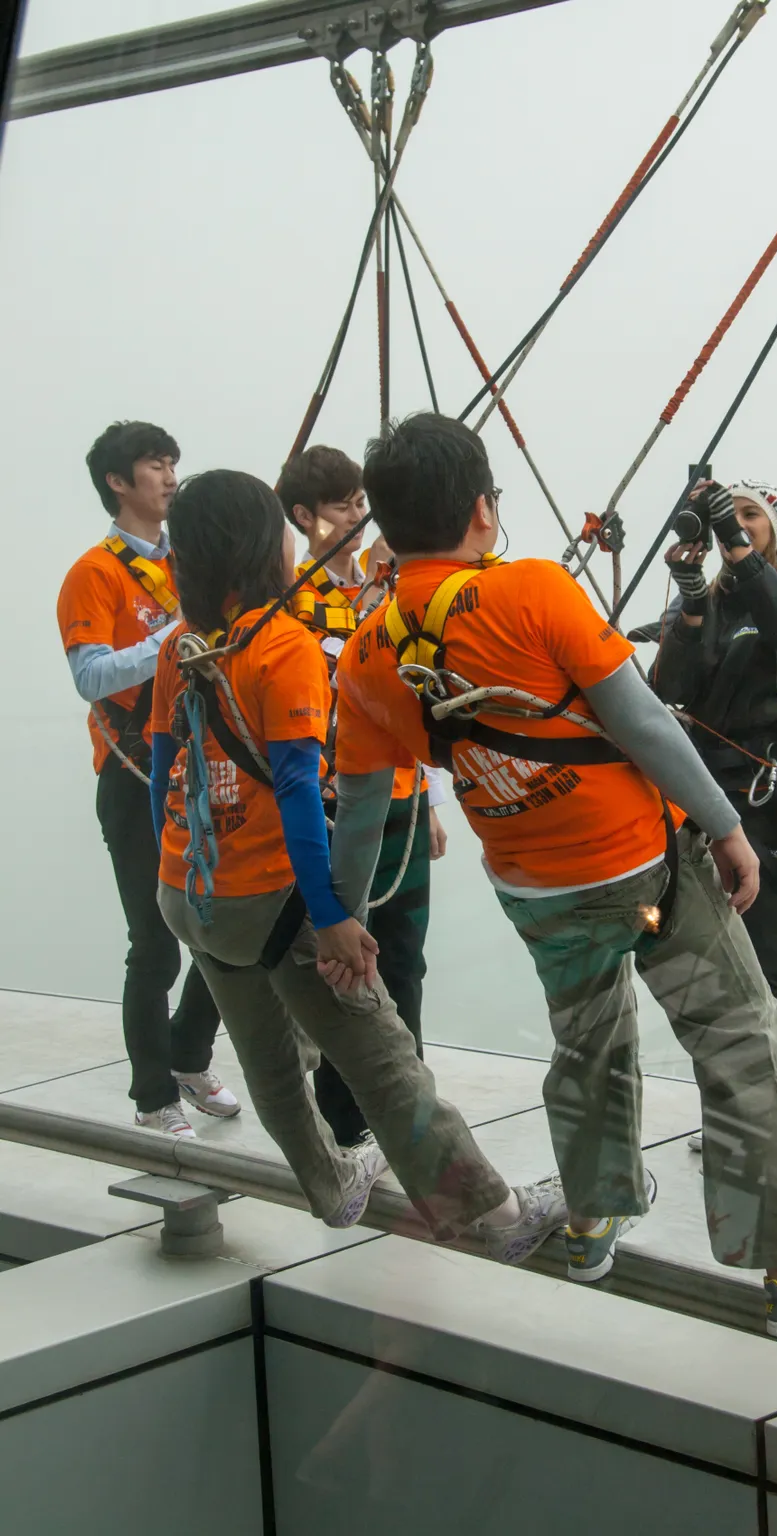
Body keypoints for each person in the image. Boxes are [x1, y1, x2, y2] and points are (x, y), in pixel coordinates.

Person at [329, 412, 777, 1338]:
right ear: (484, 509)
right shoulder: (532, 592)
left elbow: (362, 808)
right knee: (739, 1037)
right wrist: (727, 827)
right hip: (643, 872)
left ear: (389, 526)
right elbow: (643, 723)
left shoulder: (367, 653)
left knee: (588, 1042)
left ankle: (593, 1225)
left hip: (531, 887)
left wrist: (344, 916)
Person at [149, 466, 566, 1257]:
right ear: (256, 543)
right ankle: (494, 1216)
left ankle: (327, 1181)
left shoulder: (182, 644)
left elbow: (163, 768)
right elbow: (302, 796)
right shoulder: (283, 648)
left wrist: (172, 878)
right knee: (384, 1060)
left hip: (192, 891)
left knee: (267, 1059)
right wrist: (335, 915)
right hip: (276, 897)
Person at [56, 421, 238, 1138]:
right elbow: (92, 675)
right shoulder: (94, 574)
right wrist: (172, 635)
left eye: (171, 463)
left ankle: (190, 1055)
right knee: (155, 940)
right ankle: (153, 1092)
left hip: (201, 766)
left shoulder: (190, 560)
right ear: (117, 482)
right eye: (153, 465)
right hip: (133, 775)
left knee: (226, 927)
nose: (168, 476)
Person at [646, 479, 777, 1125]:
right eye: (733, 515)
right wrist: (693, 603)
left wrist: (732, 545)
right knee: (716, 968)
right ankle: (733, 1110)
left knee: (766, 965)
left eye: (752, 516)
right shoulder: (715, 601)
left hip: (771, 799)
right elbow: (670, 686)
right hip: (707, 798)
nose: (740, 525)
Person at [279, 445, 448, 1146]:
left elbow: (413, 688)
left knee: (407, 956)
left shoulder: (389, 584)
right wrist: (377, 596)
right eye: (344, 505)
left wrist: (433, 798)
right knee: (348, 960)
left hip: (401, 791)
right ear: (304, 517)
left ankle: (405, 1099)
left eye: (360, 502)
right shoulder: (293, 596)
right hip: (333, 799)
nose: (358, 516)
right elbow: (335, 669)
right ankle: (345, 1118)